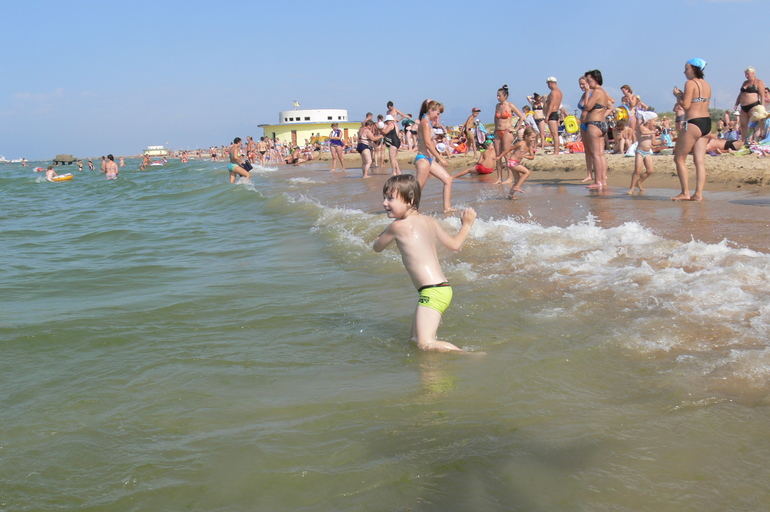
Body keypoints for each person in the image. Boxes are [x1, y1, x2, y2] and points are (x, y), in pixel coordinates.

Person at [373, 174, 477, 353]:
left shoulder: (397, 226)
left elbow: (377, 247)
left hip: (433, 290)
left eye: (390, 198)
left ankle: (470, 356)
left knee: (425, 343)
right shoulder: (430, 221)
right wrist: (466, 225)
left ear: (410, 199)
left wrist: (382, 234)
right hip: (441, 288)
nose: (384, 203)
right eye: (384, 198)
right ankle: (431, 373)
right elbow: (455, 245)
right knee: (414, 341)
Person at [672, 58, 712, 201]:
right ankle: (698, 194)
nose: (684, 71)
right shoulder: (706, 85)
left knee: (679, 158)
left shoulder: (690, 83)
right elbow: (696, 101)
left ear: (694, 69)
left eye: (686, 68)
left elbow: (687, 106)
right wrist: (682, 96)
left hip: (693, 122)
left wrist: (677, 96)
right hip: (706, 122)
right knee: (699, 161)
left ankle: (685, 192)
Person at [415, 99, 455, 212]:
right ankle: (408, 211)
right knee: (418, 189)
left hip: (428, 159)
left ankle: (447, 208)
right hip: (423, 159)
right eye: (437, 113)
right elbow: (427, 143)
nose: (437, 116)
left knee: (448, 179)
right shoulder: (425, 122)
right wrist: (440, 158)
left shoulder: (427, 122)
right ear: (431, 110)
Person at [582, 69, 612, 190]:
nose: (588, 84)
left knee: (595, 155)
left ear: (596, 80)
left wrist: (588, 91)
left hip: (594, 124)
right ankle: (602, 180)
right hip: (602, 123)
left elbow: (587, 106)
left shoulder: (597, 92)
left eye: (589, 81)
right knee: (600, 154)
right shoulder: (604, 92)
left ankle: (598, 181)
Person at [493, 85, 524, 185]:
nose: (498, 97)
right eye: (497, 95)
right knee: (498, 156)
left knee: (507, 155)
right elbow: (495, 118)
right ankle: (499, 178)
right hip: (497, 131)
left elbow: (522, 117)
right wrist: (494, 128)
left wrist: (515, 128)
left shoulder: (510, 105)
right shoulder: (497, 106)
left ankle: (510, 177)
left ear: (505, 96)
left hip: (507, 131)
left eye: (500, 96)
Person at [627, 112, 659, 193]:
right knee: (637, 170)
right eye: (655, 121)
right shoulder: (641, 127)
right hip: (640, 152)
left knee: (650, 170)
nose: (656, 123)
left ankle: (639, 182)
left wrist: (662, 142)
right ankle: (632, 188)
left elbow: (654, 143)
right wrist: (653, 132)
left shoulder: (652, 131)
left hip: (647, 152)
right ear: (648, 121)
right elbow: (643, 133)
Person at [734, 66, 766, 145]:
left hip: (754, 105)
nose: (746, 76)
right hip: (744, 107)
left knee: (757, 123)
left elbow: (762, 95)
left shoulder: (758, 82)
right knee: (743, 125)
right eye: (745, 74)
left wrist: (762, 106)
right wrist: (736, 103)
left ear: (753, 73)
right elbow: (741, 94)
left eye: (748, 74)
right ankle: (743, 140)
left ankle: (757, 139)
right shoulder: (745, 83)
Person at [544, 77, 563, 154]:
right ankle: (556, 150)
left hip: (552, 113)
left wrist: (547, 115)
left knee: (554, 133)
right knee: (555, 133)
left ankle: (556, 151)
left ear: (550, 83)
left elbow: (552, 104)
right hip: (554, 113)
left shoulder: (554, 92)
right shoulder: (559, 92)